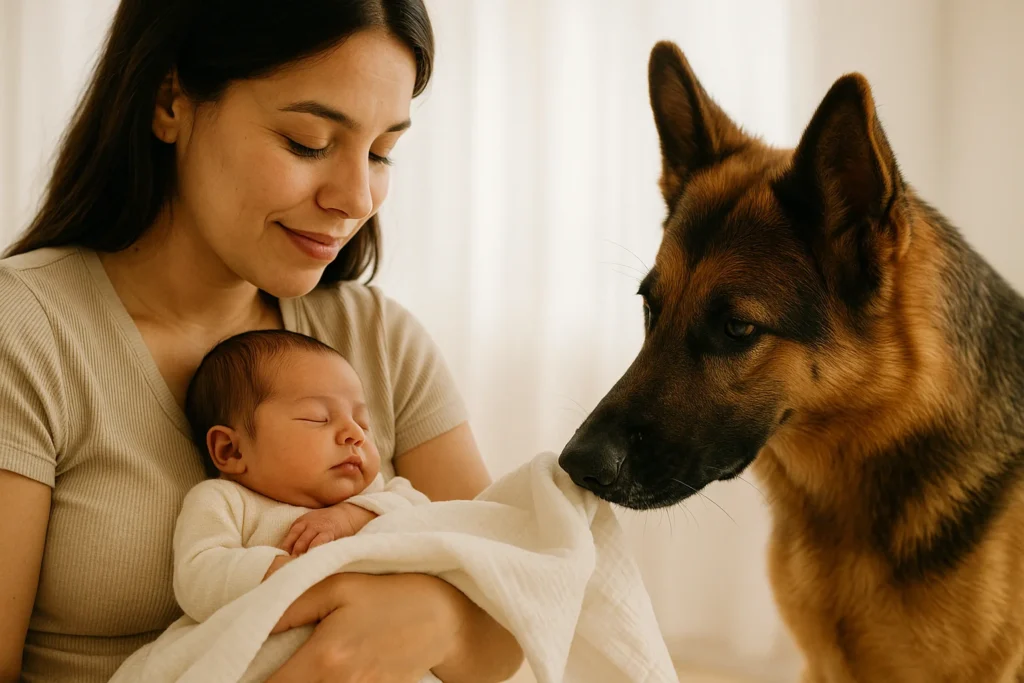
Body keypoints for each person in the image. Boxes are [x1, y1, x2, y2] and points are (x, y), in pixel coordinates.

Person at [0, 2, 522, 681]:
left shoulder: (377, 339)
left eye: (382, 152)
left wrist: (432, 616)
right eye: (308, 142)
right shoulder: (27, 331)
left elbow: (509, 619)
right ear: (170, 101)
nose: (357, 196)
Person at [174, 329, 429, 630]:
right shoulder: (224, 501)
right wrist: (294, 575)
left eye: (362, 422)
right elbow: (198, 576)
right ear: (231, 450)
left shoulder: (375, 492)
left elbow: (426, 516)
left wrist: (353, 515)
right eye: (317, 418)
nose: (356, 434)